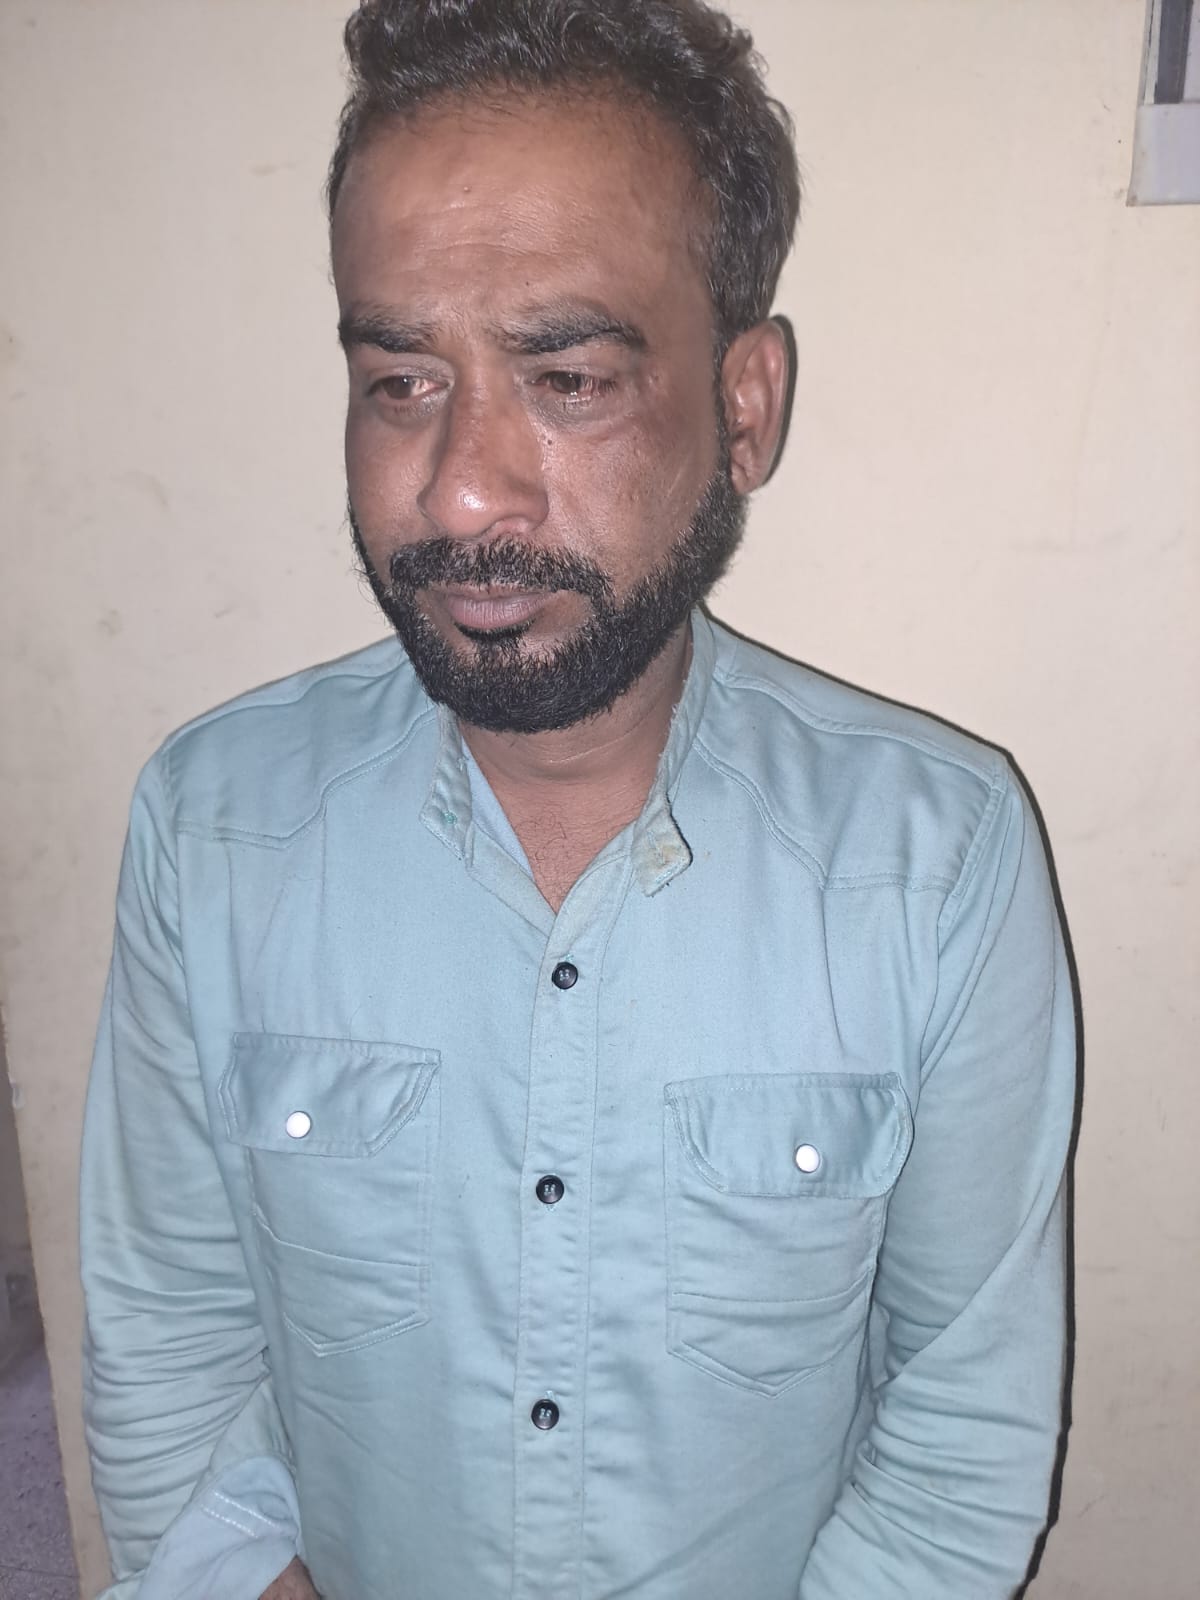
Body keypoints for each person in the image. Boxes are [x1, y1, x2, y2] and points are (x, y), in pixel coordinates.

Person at [79, 2, 1076, 1597]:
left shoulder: (934, 858)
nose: (464, 484)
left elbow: (961, 1429)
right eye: (402, 379)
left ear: (744, 407)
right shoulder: (218, 828)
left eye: (570, 377)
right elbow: (170, 1344)